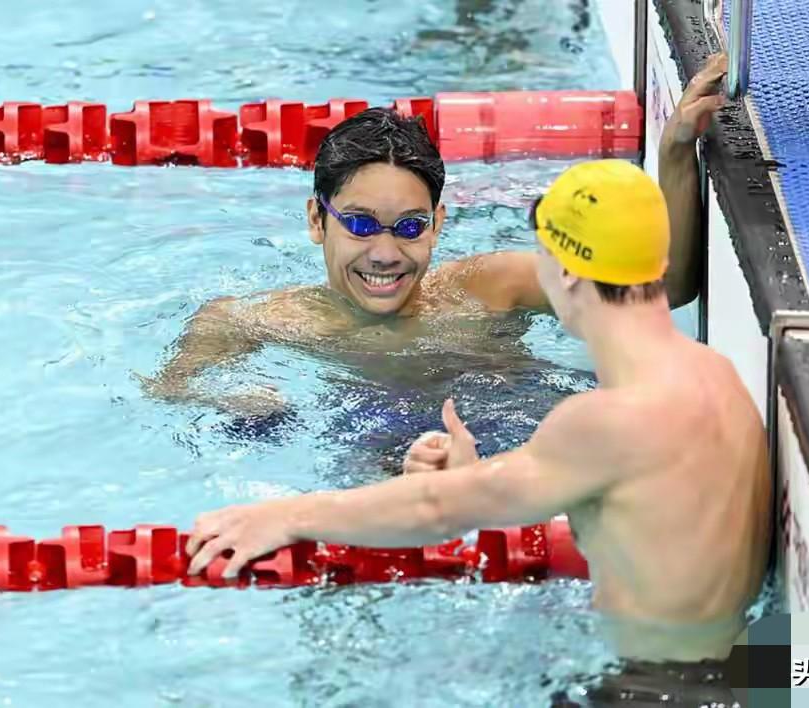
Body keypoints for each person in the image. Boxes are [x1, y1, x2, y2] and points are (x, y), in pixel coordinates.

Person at [183, 151, 771, 664]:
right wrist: (475, 476)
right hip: (744, 663)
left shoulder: (607, 419)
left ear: (564, 271)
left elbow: (440, 510)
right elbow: (642, 526)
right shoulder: (713, 374)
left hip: (658, 688)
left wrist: (284, 516)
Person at [139, 56, 720, 418]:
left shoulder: (492, 288)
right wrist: (229, 396)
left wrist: (675, 153)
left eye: (411, 227)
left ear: (438, 224)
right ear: (318, 222)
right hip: (387, 462)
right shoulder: (260, 320)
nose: (386, 254)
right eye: (361, 224)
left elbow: (661, 291)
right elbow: (168, 389)